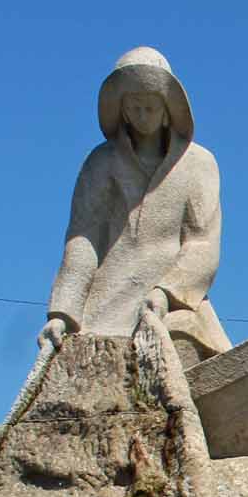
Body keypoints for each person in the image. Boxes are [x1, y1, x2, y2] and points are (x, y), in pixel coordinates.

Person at [43, 47, 230, 363]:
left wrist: (166, 292)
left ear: (167, 108)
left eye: (150, 106)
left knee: (182, 343)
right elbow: (83, 240)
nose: (142, 115)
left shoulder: (199, 163)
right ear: (122, 111)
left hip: (173, 300)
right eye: (134, 107)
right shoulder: (101, 163)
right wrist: (62, 312)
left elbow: (202, 244)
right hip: (107, 302)